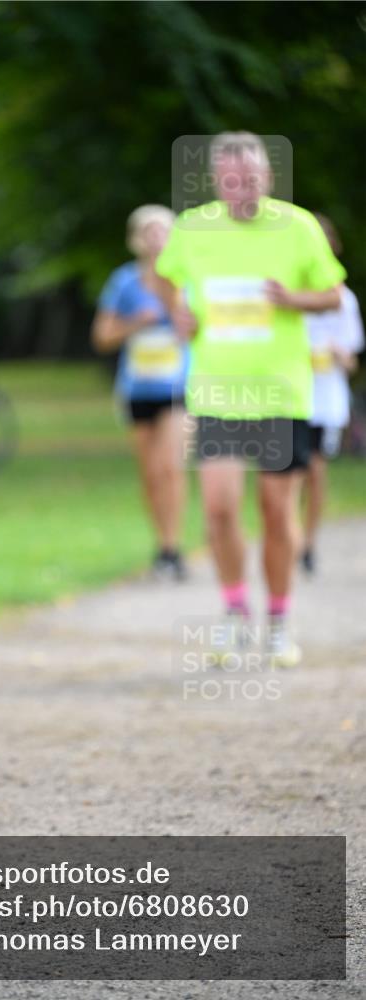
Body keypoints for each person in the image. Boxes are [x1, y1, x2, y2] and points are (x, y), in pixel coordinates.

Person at [154, 132, 345, 666]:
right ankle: (236, 614)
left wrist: (292, 299)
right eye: (232, 179)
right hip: (216, 390)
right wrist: (178, 312)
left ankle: (280, 621)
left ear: (268, 177)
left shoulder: (299, 226)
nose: (243, 187)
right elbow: (165, 277)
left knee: (276, 508)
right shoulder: (193, 228)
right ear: (218, 180)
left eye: (252, 177)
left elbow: (333, 293)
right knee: (217, 508)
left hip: (281, 393)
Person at [92, 205, 189, 580]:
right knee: (151, 473)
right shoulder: (124, 282)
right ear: (137, 238)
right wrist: (135, 323)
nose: (156, 238)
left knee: (171, 466)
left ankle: (174, 547)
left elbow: (195, 327)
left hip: (178, 387)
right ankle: (161, 545)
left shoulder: (185, 279)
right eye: (149, 231)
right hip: (137, 388)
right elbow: (102, 337)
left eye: (163, 230)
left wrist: (169, 300)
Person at [300, 213, 364, 574]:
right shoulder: (286, 292)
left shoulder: (345, 300)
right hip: (288, 397)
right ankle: (290, 535)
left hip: (324, 400)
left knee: (315, 473)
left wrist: (336, 353)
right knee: (287, 474)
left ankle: (308, 543)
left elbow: (351, 359)